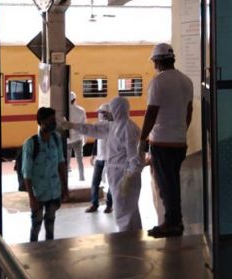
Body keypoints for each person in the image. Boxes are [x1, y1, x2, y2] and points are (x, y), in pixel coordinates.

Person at [64, 97, 143, 232]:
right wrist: (73, 126)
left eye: (110, 110)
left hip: (124, 176)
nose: (107, 114)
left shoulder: (129, 129)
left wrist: (128, 178)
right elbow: (93, 129)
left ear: (118, 110)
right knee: (123, 209)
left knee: (125, 209)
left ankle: (128, 238)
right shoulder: (113, 125)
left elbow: (135, 159)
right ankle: (131, 236)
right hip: (116, 175)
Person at [139, 43, 193, 238]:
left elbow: (151, 114)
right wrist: (180, 131)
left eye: (154, 61)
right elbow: (189, 112)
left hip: (161, 142)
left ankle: (171, 224)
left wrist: (142, 139)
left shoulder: (158, 82)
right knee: (173, 183)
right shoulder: (186, 81)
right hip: (179, 142)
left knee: (165, 184)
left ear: (158, 61)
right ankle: (175, 221)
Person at [21, 107, 68, 242]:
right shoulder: (31, 143)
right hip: (38, 194)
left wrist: (64, 187)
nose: (54, 123)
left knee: (50, 223)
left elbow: (61, 163)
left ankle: (49, 248)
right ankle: (33, 249)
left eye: (54, 120)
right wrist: (31, 197)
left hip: (54, 191)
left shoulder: (56, 139)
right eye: (50, 120)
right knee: (36, 224)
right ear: (41, 122)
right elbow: (27, 172)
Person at [85, 104, 113, 213]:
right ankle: (94, 204)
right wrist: (93, 155)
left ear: (105, 114)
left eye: (100, 112)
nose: (98, 115)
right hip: (99, 159)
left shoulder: (113, 126)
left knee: (111, 183)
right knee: (95, 183)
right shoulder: (100, 126)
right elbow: (97, 140)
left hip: (110, 159)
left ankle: (109, 205)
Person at [67, 91, 87, 181]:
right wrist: (84, 138)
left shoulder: (65, 112)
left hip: (67, 140)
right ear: (74, 100)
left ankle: (65, 179)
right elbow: (84, 126)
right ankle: (82, 177)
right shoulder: (81, 110)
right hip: (78, 139)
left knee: (66, 161)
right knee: (80, 160)